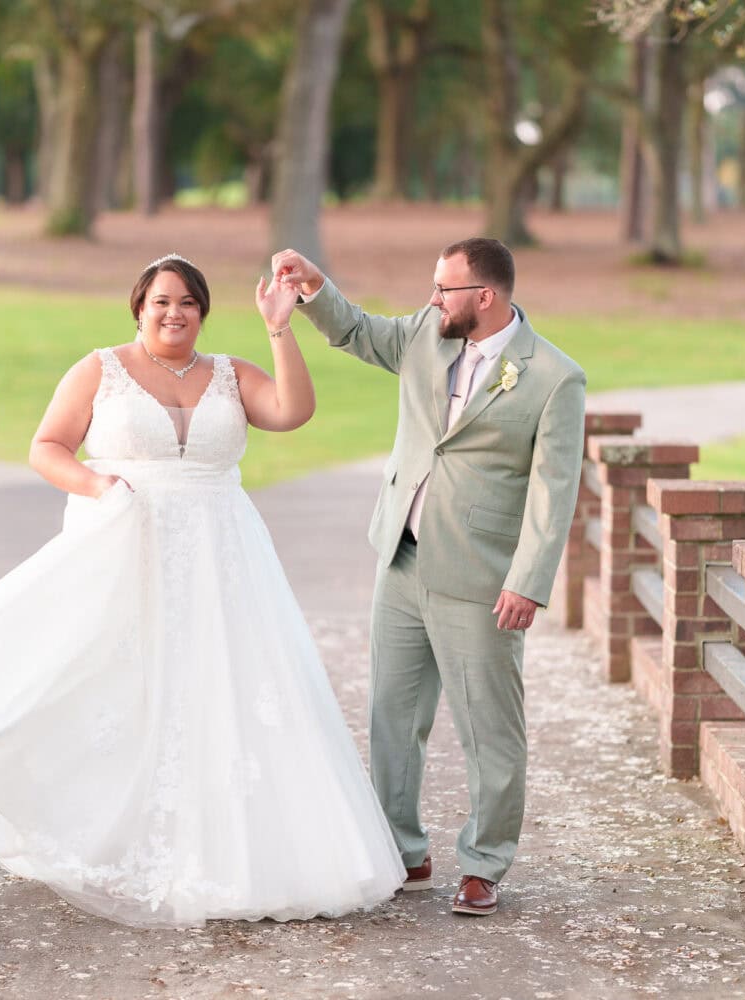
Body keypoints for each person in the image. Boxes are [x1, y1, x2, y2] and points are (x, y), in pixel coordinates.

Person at [0, 254, 404, 927]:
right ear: (139, 308)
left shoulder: (229, 373)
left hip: (224, 557)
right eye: (161, 301)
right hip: (128, 548)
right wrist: (98, 485)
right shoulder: (99, 370)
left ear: (203, 312)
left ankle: (238, 851)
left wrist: (281, 329)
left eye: (187, 302)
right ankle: (110, 834)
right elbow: (47, 446)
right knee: (123, 688)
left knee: (226, 690)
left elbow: (292, 411)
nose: (173, 313)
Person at [269, 238, 586, 917]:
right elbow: (356, 331)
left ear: (485, 297)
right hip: (402, 559)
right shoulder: (424, 333)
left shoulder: (555, 379)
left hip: (481, 575)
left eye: (447, 288)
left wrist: (528, 579)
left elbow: (553, 492)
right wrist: (314, 290)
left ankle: (485, 863)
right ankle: (401, 850)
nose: (433, 298)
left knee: (488, 729)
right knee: (391, 716)